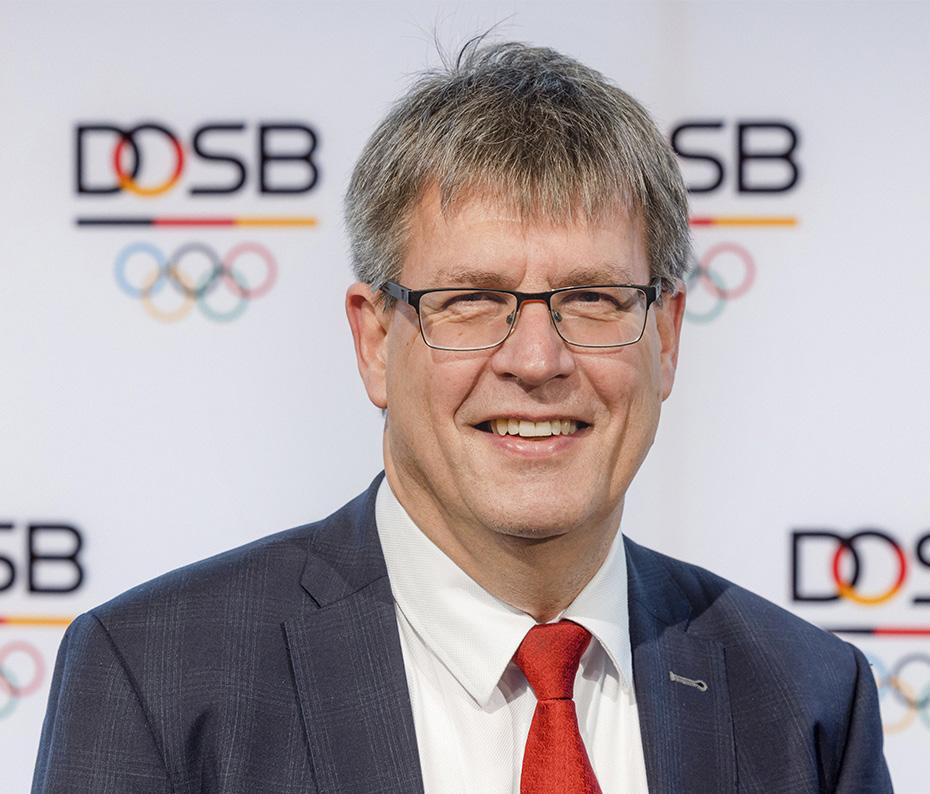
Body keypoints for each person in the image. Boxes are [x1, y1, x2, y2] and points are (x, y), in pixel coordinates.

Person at [33, 41, 892, 794]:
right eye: (472, 300)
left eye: (593, 298)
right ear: (375, 341)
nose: (536, 360)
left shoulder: (807, 697)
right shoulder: (157, 678)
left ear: (665, 337)